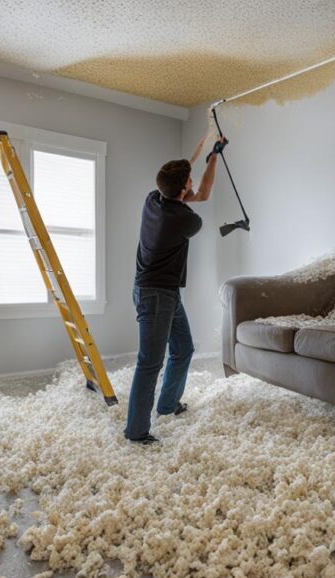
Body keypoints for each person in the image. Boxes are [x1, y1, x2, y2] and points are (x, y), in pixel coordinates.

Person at [124, 113, 224, 444]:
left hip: (159, 291)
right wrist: (214, 162)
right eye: (189, 183)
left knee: (183, 349)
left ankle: (167, 405)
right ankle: (137, 431)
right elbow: (204, 194)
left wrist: (209, 155)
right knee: (149, 362)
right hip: (156, 295)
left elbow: (188, 182)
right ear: (182, 189)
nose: (192, 184)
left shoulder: (152, 199)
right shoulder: (185, 220)